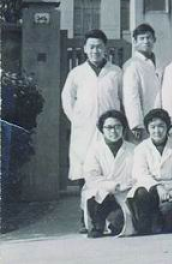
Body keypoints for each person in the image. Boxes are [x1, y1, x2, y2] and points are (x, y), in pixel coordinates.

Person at [61, 29, 122, 232]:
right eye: (92, 47)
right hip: (84, 131)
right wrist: (77, 119)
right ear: (85, 49)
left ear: (105, 49)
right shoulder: (76, 73)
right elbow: (67, 99)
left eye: (99, 47)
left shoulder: (115, 72)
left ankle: (110, 218)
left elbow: (122, 98)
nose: (95, 50)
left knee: (109, 171)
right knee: (85, 174)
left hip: (110, 131)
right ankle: (86, 219)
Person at [127, 109, 172, 235]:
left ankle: (162, 218)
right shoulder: (141, 148)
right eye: (153, 127)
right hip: (150, 188)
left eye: (161, 126)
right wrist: (157, 186)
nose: (157, 131)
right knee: (141, 193)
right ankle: (149, 222)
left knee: (168, 209)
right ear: (147, 128)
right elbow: (140, 173)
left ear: (167, 127)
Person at [82, 110, 135, 238]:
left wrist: (125, 186)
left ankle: (114, 222)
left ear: (123, 128)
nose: (113, 131)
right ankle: (97, 225)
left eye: (117, 126)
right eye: (109, 127)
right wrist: (114, 186)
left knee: (119, 222)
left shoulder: (133, 149)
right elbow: (92, 177)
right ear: (102, 129)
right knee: (95, 194)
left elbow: (138, 174)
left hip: (124, 193)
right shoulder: (94, 150)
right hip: (102, 194)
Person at [123, 24, 162, 142]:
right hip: (142, 123)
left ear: (154, 40)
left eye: (149, 38)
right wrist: (136, 124)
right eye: (142, 38)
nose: (146, 41)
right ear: (135, 42)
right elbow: (131, 97)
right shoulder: (131, 65)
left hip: (160, 118)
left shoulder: (160, 62)